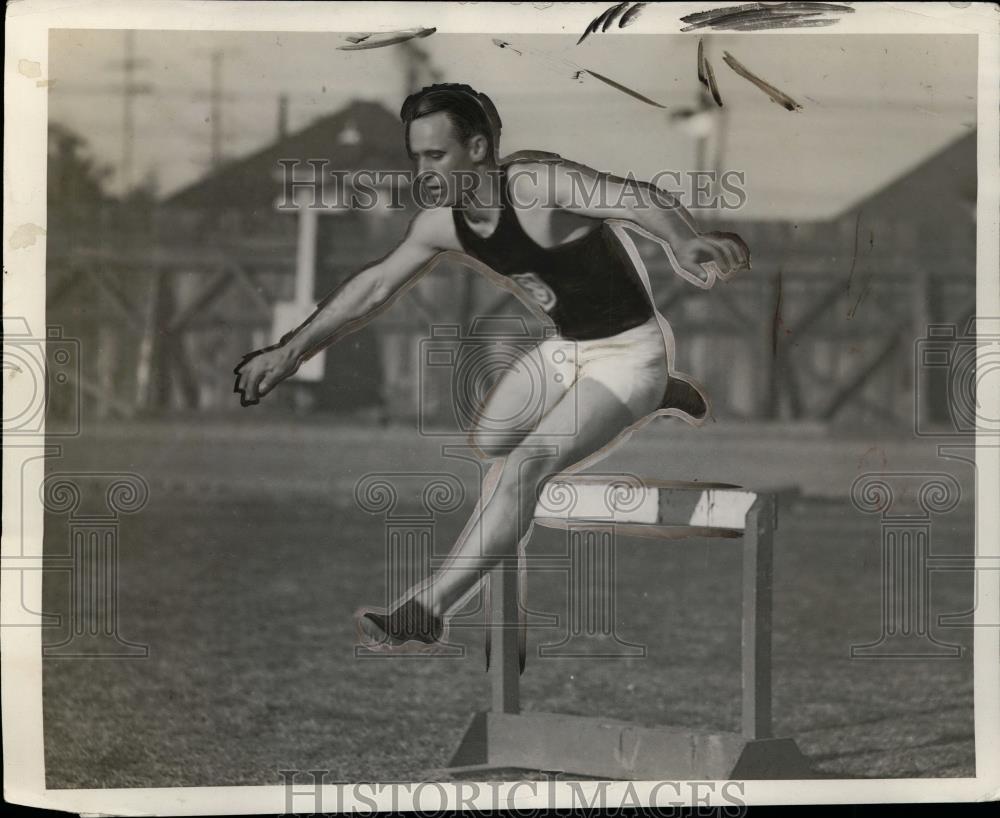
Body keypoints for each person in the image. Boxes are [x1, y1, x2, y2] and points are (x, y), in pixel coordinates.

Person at [233, 83, 750, 649]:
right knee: (491, 440)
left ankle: (428, 608)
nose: (424, 171)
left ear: (478, 148)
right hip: (566, 346)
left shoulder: (537, 186)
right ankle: (657, 397)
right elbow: (375, 286)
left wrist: (682, 240)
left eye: (436, 156)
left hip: (630, 353)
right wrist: (291, 349)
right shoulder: (441, 223)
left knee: (523, 468)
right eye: (417, 158)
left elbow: (635, 198)